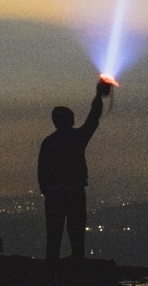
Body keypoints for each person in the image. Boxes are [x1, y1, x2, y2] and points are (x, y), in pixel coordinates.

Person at [38, 77, 112, 262]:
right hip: (74, 193)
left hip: (54, 195)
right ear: (68, 120)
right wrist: (98, 96)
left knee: (53, 234)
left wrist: (48, 190)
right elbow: (93, 118)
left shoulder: (48, 142)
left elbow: (41, 171)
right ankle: (77, 266)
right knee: (77, 233)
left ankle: (51, 267)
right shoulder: (76, 138)